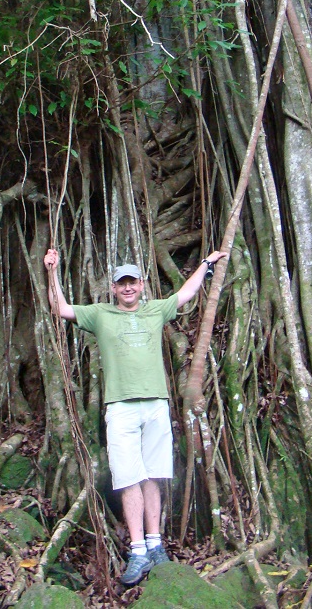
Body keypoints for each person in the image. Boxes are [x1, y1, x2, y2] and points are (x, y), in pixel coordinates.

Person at [43, 247, 227, 585]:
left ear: (142, 285)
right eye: (121, 283)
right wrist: (53, 272)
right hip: (120, 407)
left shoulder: (156, 310)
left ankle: (156, 545)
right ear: (113, 288)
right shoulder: (99, 314)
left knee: (152, 476)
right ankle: (138, 550)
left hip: (156, 404)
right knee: (128, 478)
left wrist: (205, 265)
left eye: (133, 282)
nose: (128, 288)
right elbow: (60, 308)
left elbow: (185, 293)